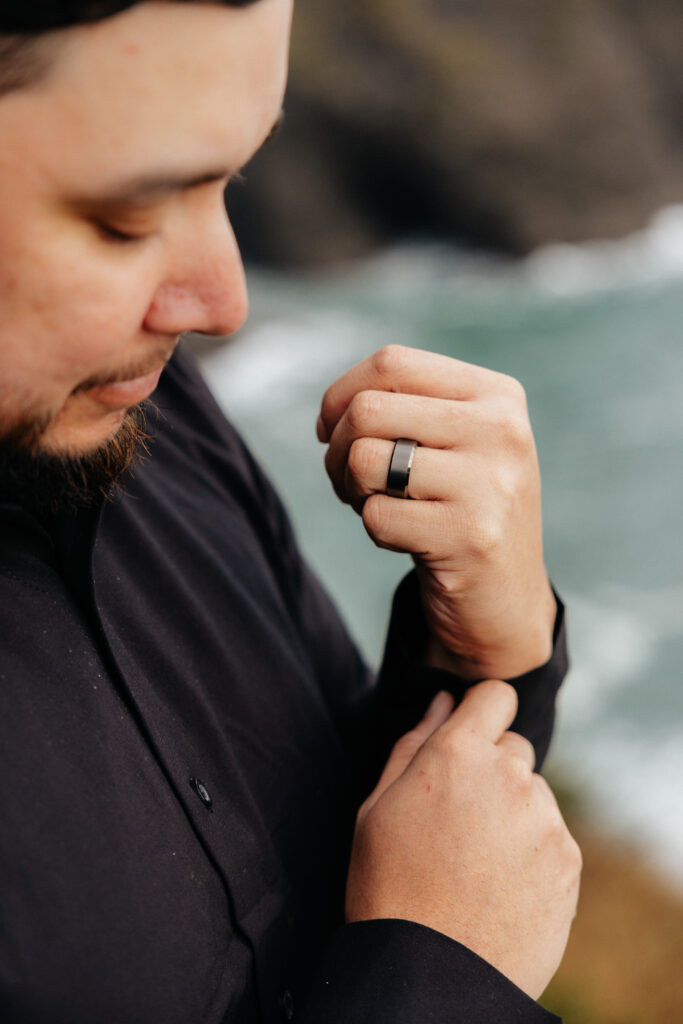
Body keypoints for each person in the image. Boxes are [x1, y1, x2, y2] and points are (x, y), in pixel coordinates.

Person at [0, 2, 581, 1022]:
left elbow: (338, 831)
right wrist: (440, 979)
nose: (224, 302)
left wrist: (485, 652)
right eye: (127, 217)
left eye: (230, 181)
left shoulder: (147, 412)